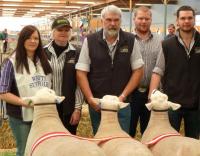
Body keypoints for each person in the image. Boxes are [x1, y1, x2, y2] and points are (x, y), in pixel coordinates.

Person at [76, 5, 144, 135]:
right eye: (109, 20)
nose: (112, 24)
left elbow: (138, 70)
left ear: (120, 21)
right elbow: (81, 72)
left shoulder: (130, 40)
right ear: (102, 21)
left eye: (116, 20)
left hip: (122, 105)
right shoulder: (90, 41)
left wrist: (123, 96)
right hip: (98, 105)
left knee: (121, 141)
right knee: (102, 141)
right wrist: (90, 99)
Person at [0, 25, 52, 156]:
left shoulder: (44, 61)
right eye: (28, 38)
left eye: (36, 38)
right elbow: (3, 92)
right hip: (20, 117)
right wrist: (25, 102)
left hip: (42, 115)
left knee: (41, 150)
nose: (33, 41)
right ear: (22, 40)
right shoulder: (10, 63)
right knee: (24, 151)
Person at [161, 5, 200, 139]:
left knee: (193, 142)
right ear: (177, 21)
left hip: (195, 105)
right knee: (170, 141)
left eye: (190, 18)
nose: (186, 21)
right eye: (183, 18)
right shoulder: (166, 45)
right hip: (172, 104)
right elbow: (159, 70)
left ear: (194, 20)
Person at [44, 17, 84, 135]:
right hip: (48, 106)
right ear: (53, 32)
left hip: (68, 108)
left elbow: (80, 83)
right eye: (60, 30)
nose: (63, 33)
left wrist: (77, 109)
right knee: (50, 139)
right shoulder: (42, 52)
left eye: (66, 30)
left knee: (69, 141)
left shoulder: (77, 53)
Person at [129, 6, 165, 137]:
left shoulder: (160, 41)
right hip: (131, 94)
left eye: (147, 18)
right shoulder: (127, 40)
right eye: (140, 18)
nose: (143, 21)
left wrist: (153, 94)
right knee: (128, 131)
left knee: (150, 133)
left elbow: (160, 66)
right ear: (134, 19)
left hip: (153, 94)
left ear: (151, 20)